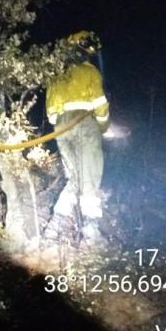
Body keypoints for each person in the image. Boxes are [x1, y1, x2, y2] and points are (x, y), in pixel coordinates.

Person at [44, 30, 110, 244]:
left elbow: (51, 111)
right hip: (84, 124)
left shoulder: (57, 76)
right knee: (89, 176)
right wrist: (103, 127)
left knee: (74, 177)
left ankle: (54, 227)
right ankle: (91, 232)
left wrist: (61, 124)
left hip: (61, 129)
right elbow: (100, 105)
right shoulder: (90, 72)